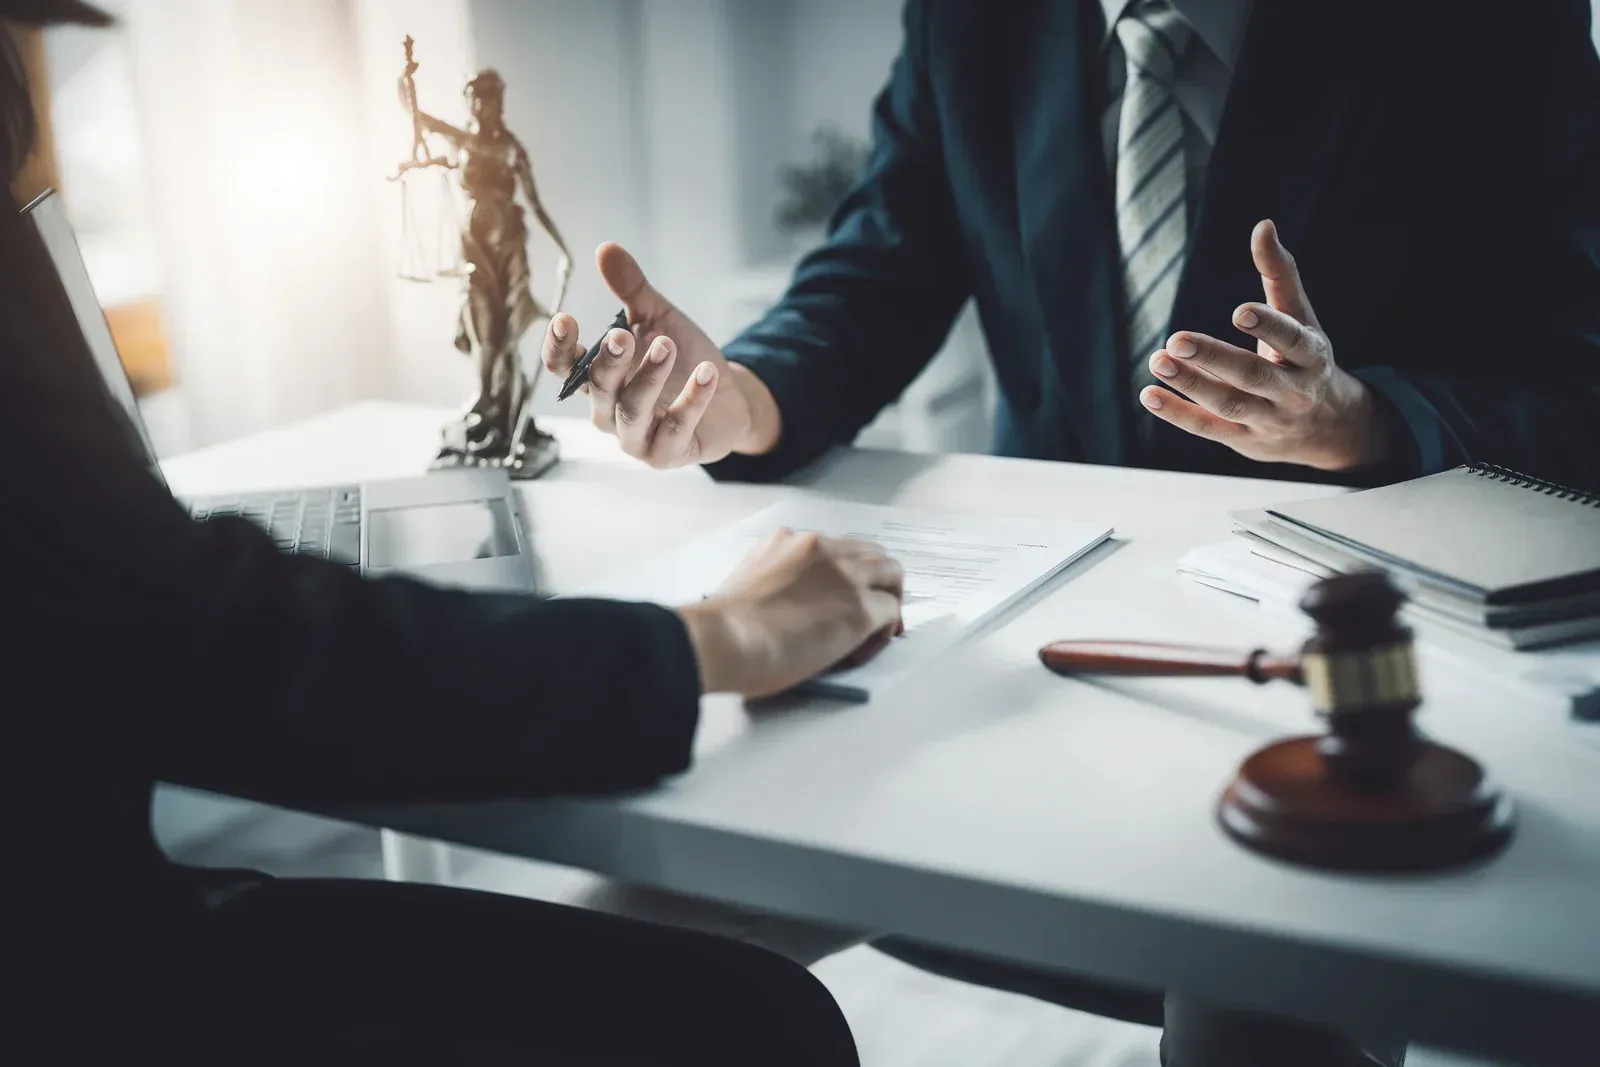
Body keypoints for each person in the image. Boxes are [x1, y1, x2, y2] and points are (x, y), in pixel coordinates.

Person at [544, 0, 1600, 1064]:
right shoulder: (967, 22)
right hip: (1027, 655)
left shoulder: (1492, 25)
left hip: (1340, 683)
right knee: (616, 936)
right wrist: (734, 400)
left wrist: (1363, 420)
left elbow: (1580, 383)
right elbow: (874, 273)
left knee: (1258, 990)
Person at [1, 3, 901, 1063]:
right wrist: (710, 637)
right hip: (76, 979)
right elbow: (191, 641)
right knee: (756, 1018)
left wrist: (737, 402)